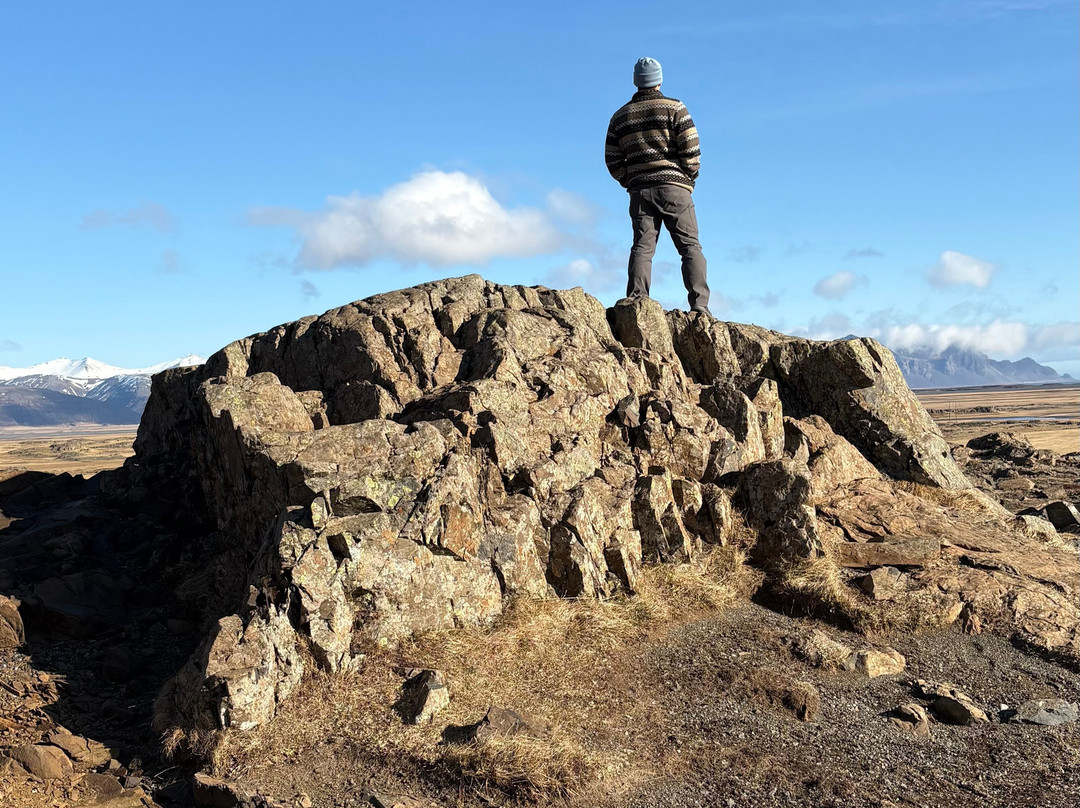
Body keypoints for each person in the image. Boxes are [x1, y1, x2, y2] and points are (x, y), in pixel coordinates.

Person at [605, 57, 710, 315]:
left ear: (636, 81)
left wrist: (629, 180)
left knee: (642, 247)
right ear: (659, 80)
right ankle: (699, 307)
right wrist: (687, 178)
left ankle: (637, 303)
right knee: (690, 247)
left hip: (640, 191)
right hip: (675, 188)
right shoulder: (675, 108)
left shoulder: (620, 116)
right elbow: (691, 147)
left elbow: (612, 157)